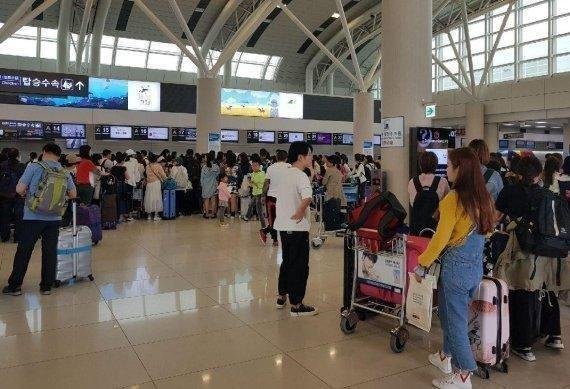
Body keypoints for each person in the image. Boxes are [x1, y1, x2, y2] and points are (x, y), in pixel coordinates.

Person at [414, 148, 495, 389]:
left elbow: (440, 238)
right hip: (474, 270)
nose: (446, 170)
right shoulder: (483, 198)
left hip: (455, 269)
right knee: (453, 317)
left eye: (449, 166)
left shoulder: (453, 199)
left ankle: (463, 375)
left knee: (454, 323)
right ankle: (445, 357)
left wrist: (423, 262)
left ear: (461, 169)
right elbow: (488, 232)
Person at [494, 156, 567, 362]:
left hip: (523, 250)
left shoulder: (510, 191)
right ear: (538, 174)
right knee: (547, 289)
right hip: (549, 250)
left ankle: (523, 344)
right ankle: (554, 335)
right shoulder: (547, 194)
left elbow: (495, 218)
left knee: (522, 291)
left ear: (517, 173)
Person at [2, 143, 77, 296]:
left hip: (33, 216)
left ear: (44, 152)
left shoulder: (34, 167)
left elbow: (19, 189)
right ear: (58, 155)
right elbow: (73, 194)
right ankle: (46, 286)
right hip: (55, 218)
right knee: (49, 251)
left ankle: (15, 285)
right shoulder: (64, 171)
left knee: (24, 250)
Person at [274, 141, 318, 317]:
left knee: (287, 261)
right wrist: (300, 211)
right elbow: (307, 197)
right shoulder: (300, 176)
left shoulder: (285, 174)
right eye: (309, 155)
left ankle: (281, 296)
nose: (311, 157)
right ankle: (297, 304)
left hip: (283, 226)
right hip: (297, 227)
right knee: (299, 265)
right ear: (301, 157)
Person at [408, 151, 451, 235]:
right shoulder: (442, 181)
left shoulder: (412, 182)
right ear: (436, 165)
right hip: (437, 226)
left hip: (417, 226)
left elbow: (412, 203)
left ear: (420, 165)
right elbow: (447, 203)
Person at [263, 149, 289, 246]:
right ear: (286, 158)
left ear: (276, 157)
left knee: (272, 219)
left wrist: (263, 195)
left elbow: (266, 184)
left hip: (272, 197)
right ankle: (284, 238)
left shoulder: (270, 168)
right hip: (285, 197)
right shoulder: (290, 167)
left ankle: (275, 240)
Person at [0, 148, 26, 243]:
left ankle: (4, 236)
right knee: (19, 216)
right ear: (18, 155)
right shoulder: (21, 166)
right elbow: (24, 180)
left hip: (5, 195)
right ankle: (17, 237)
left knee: (5, 216)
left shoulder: (2, 166)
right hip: (18, 194)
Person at [244, 155, 268, 244]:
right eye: (252, 165)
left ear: (259, 165)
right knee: (252, 206)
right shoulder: (253, 173)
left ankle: (263, 226)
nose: (253, 167)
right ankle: (248, 217)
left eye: (255, 165)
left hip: (259, 194)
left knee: (259, 211)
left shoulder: (262, 173)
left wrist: (251, 181)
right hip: (254, 193)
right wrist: (251, 181)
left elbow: (256, 182)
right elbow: (251, 183)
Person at [144, 153, 166, 221]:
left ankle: (149, 215)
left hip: (149, 184)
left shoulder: (147, 166)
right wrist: (165, 179)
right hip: (156, 183)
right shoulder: (158, 166)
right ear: (156, 159)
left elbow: (146, 175)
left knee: (149, 198)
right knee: (157, 198)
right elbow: (163, 175)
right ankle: (156, 215)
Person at [111, 153, 132, 223]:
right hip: (122, 186)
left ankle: (115, 216)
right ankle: (121, 216)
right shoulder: (123, 168)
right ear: (123, 160)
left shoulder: (113, 168)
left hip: (114, 186)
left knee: (116, 200)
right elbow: (128, 177)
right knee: (122, 200)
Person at [200, 153, 219, 218]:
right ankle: (213, 214)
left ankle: (207, 214)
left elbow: (202, 178)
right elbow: (217, 175)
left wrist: (202, 185)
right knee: (213, 200)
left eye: (205, 157)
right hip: (213, 185)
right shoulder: (216, 166)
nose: (204, 158)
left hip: (205, 185)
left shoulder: (204, 167)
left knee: (206, 200)